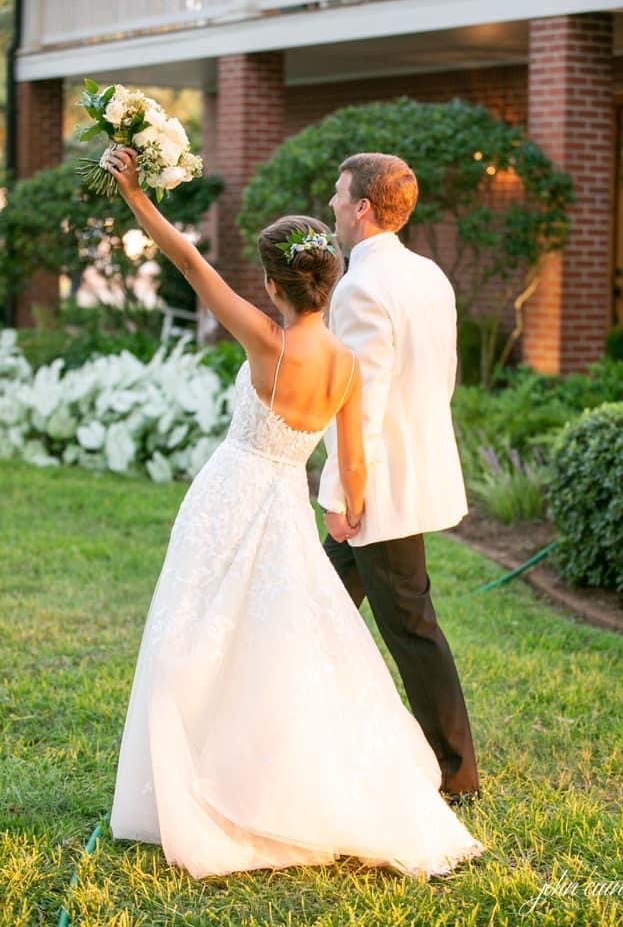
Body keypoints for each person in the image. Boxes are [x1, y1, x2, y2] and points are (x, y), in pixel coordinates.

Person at [105, 146, 485, 879]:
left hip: (229, 496)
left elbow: (188, 261)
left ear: (276, 284)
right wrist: (350, 511)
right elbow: (351, 459)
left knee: (197, 626)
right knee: (289, 633)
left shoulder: (265, 340)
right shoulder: (343, 363)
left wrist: (134, 193)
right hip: (285, 502)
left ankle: (205, 760)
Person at [320, 152, 481, 802]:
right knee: (312, 600)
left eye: (338, 194)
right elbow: (441, 379)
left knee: (410, 625)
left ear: (362, 207)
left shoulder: (360, 286)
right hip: (409, 477)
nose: (330, 204)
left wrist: (341, 496)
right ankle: (293, 727)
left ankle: (455, 771)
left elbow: (361, 404)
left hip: (377, 492)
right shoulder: (428, 274)